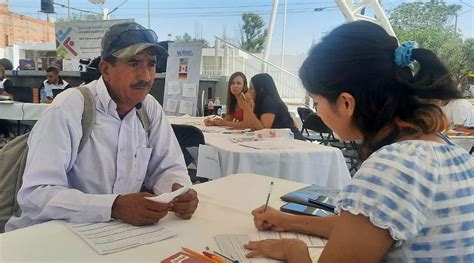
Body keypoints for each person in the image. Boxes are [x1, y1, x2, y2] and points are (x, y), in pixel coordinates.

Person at [245, 21, 473, 262]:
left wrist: (295, 252)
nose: (318, 111)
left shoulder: (390, 168)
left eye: (316, 102)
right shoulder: (445, 147)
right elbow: (370, 228)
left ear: (346, 103)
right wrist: (288, 221)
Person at [6, 22, 198, 231]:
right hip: (51, 234)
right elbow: (36, 195)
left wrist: (178, 191)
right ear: (106, 69)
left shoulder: (149, 109)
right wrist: (114, 206)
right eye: (134, 63)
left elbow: (168, 166)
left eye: (151, 64)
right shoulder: (70, 108)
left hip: (114, 233)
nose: (146, 76)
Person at [239, 73, 303, 139]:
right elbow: (252, 127)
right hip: (279, 140)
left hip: (292, 140)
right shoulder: (258, 102)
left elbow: (263, 130)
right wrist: (249, 106)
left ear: (261, 89)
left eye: (251, 88)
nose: (248, 91)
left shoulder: (269, 101)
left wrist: (247, 108)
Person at [0, 65, 13, 139]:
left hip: (5, 105)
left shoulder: (6, 82)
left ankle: (5, 135)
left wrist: (3, 93)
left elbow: (12, 95)